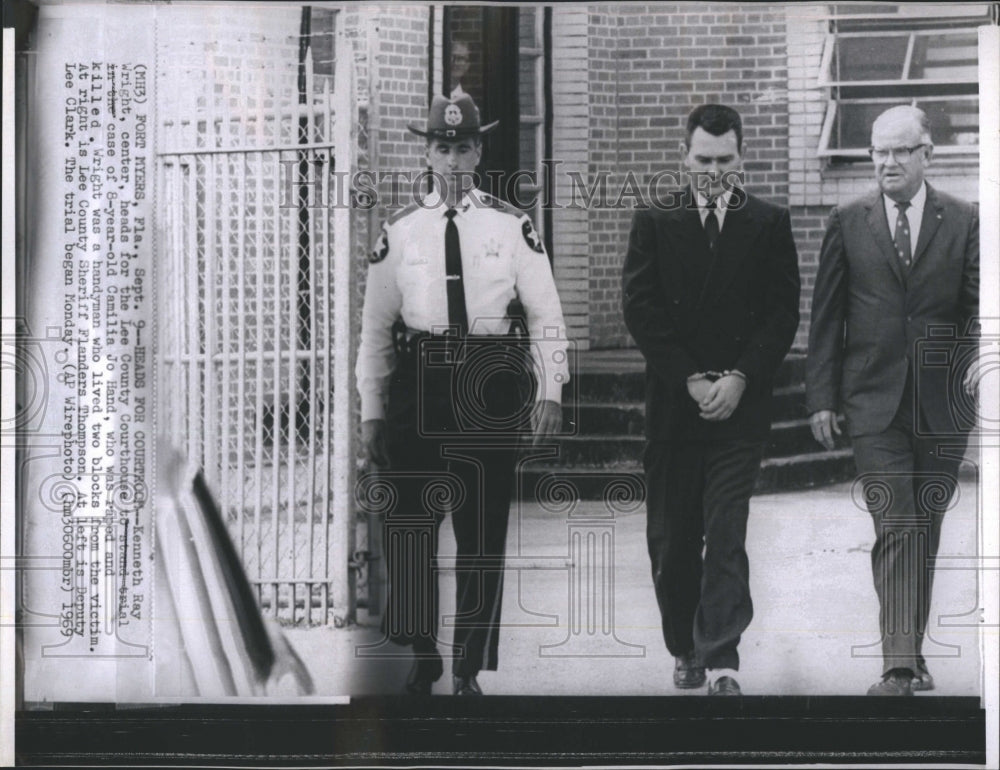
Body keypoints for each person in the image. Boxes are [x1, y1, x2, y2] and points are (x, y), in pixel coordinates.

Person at [356, 94, 568, 696]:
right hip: (419, 378)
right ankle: (423, 653)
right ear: (426, 151)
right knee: (410, 524)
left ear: (479, 151)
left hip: (487, 377)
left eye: (463, 148)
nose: (452, 161)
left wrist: (551, 387)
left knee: (481, 529)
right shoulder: (399, 232)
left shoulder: (510, 224)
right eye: (441, 148)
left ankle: (469, 666)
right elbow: (375, 330)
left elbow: (546, 313)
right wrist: (372, 408)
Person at [621, 104, 800, 696]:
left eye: (726, 161)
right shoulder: (654, 220)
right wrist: (691, 379)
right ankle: (684, 647)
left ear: (741, 159)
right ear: (685, 157)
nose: (714, 172)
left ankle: (721, 656)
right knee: (673, 544)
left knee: (725, 533)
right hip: (676, 408)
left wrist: (742, 377)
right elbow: (640, 310)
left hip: (738, 412)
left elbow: (781, 314)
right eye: (703, 160)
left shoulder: (769, 223)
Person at [806, 105, 980, 696]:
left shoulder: (964, 220)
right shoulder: (847, 220)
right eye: (879, 150)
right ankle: (899, 664)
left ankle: (912, 650)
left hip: (941, 403)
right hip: (872, 403)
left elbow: (980, 310)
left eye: (901, 150)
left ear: (927, 154)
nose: (887, 161)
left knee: (923, 527)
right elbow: (826, 316)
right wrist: (821, 397)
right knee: (897, 521)